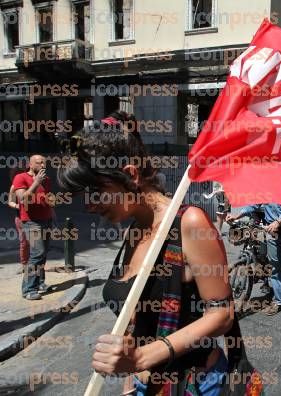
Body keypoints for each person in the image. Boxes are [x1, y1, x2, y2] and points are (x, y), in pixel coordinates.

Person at [57, 116, 237, 395]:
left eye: (95, 192)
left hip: (194, 386)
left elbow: (222, 314)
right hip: (144, 386)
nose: (90, 206)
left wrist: (142, 358)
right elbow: (135, 320)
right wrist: (131, 381)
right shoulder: (135, 228)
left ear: (130, 175)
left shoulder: (190, 223)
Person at [227, 203, 281, 315]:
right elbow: (254, 206)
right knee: (275, 269)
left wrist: (279, 221)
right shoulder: (266, 191)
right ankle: (279, 301)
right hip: (271, 233)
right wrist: (237, 216)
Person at [12, 155, 54, 300]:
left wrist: (52, 204)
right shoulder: (20, 178)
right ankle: (28, 289)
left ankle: (40, 283)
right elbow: (23, 199)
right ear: (30, 164)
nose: (43, 165)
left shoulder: (46, 180)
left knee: (43, 254)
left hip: (47, 219)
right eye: (39, 162)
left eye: (44, 163)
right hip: (31, 221)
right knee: (37, 253)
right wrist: (36, 182)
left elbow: (47, 198)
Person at [8, 163, 30, 274]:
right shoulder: (14, 186)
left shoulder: (32, 183)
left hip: (35, 217)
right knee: (24, 242)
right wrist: (17, 206)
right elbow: (10, 202)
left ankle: (36, 264)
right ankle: (24, 264)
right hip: (20, 218)